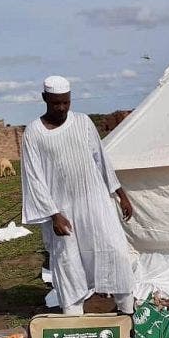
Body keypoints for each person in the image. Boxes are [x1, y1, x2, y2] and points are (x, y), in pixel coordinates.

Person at [20, 75, 135, 315]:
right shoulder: (34, 133)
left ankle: (127, 311)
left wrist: (120, 194)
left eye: (66, 102)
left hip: (95, 203)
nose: (61, 108)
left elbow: (101, 159)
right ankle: (73, 318)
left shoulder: (83, 123)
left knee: (115, 251)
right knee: (68, 261)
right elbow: (34, 178)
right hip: (62, 211)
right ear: (44, 99)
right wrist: (53, 215)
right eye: (55, 103)